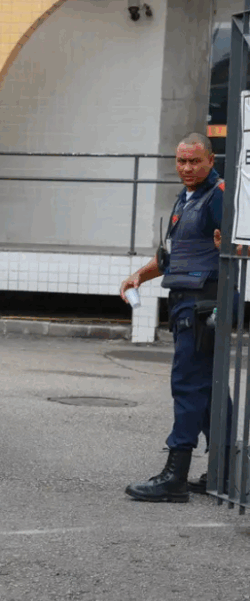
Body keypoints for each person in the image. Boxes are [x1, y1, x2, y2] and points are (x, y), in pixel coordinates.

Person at [120, 132, 235, 503]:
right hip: (187, 299)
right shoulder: (186, 199)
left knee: (188, 384)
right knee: (209, 387)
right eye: (181, 161)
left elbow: (241, 245)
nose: (187, 168)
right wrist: (140, 274)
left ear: (211, 160)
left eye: (194, 161)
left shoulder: (218, 196)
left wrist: (230, 248)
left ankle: (175, 477)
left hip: (205, 302)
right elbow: (173, 256)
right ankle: (228, 473)